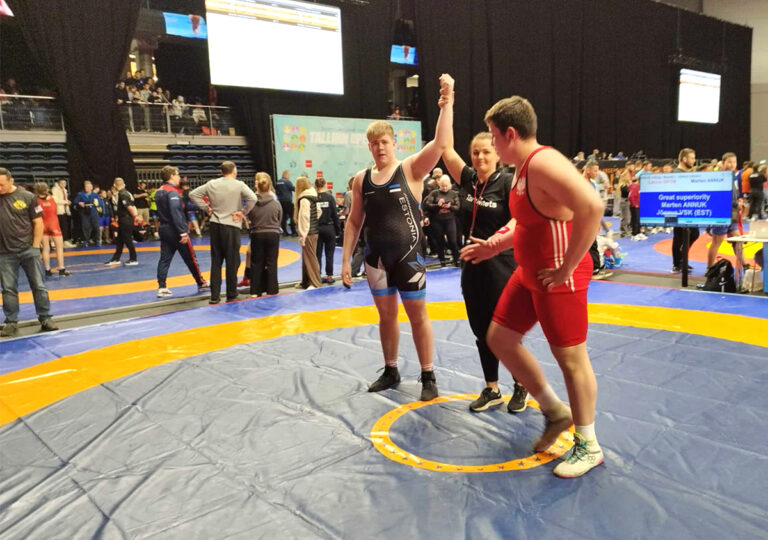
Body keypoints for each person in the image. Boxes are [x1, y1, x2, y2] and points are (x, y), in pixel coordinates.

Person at [461, 96, 605, 477]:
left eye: (494, 137)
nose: (492, 145)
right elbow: (525, 221)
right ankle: (556, 411)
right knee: (500, 338)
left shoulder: (543, 163)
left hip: (557, 275)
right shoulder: (522, 169)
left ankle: (588, 444)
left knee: (572, 359)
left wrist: (568, 266)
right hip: (531, 271)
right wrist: (494, 245)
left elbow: (592, 207)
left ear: (510, 134)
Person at [341, 73, 455, 402]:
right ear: (369, 146)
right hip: (376, 260)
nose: (379, 147)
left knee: (418, 316)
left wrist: (447, 103)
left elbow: (441, 144)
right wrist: (346, 260)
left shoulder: (411, 169)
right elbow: (353, 222)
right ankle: (391, 369)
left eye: (384, 142)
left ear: (394, 144)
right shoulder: (361, 180)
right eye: (374, 143)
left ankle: (428, 374)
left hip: (409, 258)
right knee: (386, 317)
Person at [441, 130, 528, 413]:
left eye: (486, 152)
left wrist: (495, 241)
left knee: (507, 331)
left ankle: (521, 384)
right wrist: (446, 108)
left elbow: (519, 219)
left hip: (502, 265)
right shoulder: (468, 179)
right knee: (482, 331)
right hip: (472, 266)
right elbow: (445, 148)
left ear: (497, 154)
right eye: (475, 152)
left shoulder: (507, 183)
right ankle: (492, 389)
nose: (480, 157)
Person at [0, 168, 58, 337]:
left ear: (11, 181)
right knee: (8, 289)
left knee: (38, 285)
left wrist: (34, 246)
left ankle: (45, 317)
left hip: (28, 249)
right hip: (4, 252)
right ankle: (11, 322)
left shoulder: (27, 197)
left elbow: (38, 222)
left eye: (2, 185)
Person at [190, 161, 258, 304]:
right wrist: (243, 212)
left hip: (215, 225)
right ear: (234, 171)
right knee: (232, 261)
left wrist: (207, 208)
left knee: (216, 261)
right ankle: (231, 294)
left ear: (221, 172)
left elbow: (193, 194)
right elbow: (253, 198)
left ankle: (214, 296)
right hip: (231, 225)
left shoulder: (212, 184)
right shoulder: (239, 184)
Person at [154, 166, 209, 298]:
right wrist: (182, 232)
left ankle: (162, 287)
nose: (179, 177)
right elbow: (175, 212)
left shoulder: (158, 191)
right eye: (177, 174)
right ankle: (200, 282)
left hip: (164, 228)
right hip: (175, 230)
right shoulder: (172, 192)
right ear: (172, 176)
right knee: (191, 258)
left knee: (164, 259)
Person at [707, 152, 746, 270]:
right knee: (717, 242)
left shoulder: (732, 176)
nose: (732, 164)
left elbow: (732, 194)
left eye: (734, 162)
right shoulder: (720, 177)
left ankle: (746, 265)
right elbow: (720, 197)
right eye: (729, 162)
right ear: (723, 163)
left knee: (737, 241)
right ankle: (709, 268)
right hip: (722, 214)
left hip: (732, 214)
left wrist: (739, 200)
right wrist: (736, 204)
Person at [247, 172, 282, 297]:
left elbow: (249, 217)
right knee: (272, 262)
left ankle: (255, 291)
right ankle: (272, 289)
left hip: (257, 233)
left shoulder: (252, 203)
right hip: (273, 234)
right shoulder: (276, 202)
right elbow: (279, 218)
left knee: (257, 262)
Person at [671, 148, 699, 273]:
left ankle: (681, 260)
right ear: (684, 159)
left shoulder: (686, 173)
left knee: (692, 234)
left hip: (687, 209)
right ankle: (677, 263)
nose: (694, 161)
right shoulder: (677, 173)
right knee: (679, 237)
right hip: (678, 210)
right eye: (692, 158)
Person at [423, 175, 460, 267]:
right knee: (440, 242)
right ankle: (442, 261)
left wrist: (450, 207)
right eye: (443, 186)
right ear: (439, 185)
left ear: (450, 185)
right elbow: (427, 205)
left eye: (446, 186)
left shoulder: (453, 194)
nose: (444, 188)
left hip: (450, 220)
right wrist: (438, 205)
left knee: (453, 241)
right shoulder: (434, 193)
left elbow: (458, 207)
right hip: (437, 221)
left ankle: (456, 260)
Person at [34, 183, 71, 277]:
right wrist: (67, 202)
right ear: (47, 190)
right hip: (54, 225)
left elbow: (36, 215)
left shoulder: (35, 201)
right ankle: (61, 269)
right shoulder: (53, 198)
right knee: (59, 247)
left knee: (45, 248)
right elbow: (63, 202)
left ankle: (47, 269)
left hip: (43, 226)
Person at [295, 176, 322, 290]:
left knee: (310, 258)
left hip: (309, 232)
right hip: (314, 231)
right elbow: (319, 211)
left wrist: (303, 235)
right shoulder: (313, 196)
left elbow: (304, 217)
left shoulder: (304, 199)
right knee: (307, 257)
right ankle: (306, 282)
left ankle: (315, 283)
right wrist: (313, 221)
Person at [105, 178, 139, 266]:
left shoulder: (122, 194)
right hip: (125, 219)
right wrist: (135, 216)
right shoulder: (127, 193)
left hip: (125, 219)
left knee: (127, 239)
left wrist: (135, 216)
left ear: (114, 185)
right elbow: (133, 205)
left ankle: (133, 258)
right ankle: (116, 258)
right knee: (119, 240)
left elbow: (129, 207)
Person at [315, 177, 341, 283]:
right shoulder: (330, 197)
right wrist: (338, 230)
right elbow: (335, 215)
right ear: (325, 184)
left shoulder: (313, 198)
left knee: (317, 254)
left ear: (315, 185)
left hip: (317, 228)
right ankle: (329, 276)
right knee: (329, 254)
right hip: (329, 228)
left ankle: (317, 276)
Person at [73, 180, 102, 247]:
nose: (87, 188)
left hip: (93, 212)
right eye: (86, 187)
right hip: (84, 213)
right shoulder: (80, 194)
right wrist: (79, 203)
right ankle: (85, 241)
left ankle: (97, 240)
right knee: (85, 227)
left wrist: (96, 204)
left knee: (96, 227)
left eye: (88, 187)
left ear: (91, 188)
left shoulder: (95, 195)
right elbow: (75, 202)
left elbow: (100, 203)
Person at [51, 179, 74, 247]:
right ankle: (59, 242)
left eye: (65, 183)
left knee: (65, 227)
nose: (64, 185)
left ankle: (65, 241)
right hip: (58, 211)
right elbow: (55, 200)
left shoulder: (64, 190)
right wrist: (65, 202)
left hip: (64, 211)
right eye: (62, 183)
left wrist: (67, 203)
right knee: (60, 227)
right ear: (58, 183)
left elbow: (65, 199)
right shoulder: (55, 190)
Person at [275, 170, 297, 236]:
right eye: (289, 175)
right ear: (286, 175)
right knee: (292, 216)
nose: (289, 176)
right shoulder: (287, 182)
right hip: (288, 201)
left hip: (280, 202)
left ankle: (284, 232)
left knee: (283, 217)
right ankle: (294, 232)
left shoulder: (278, 182)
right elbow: (293, 189)